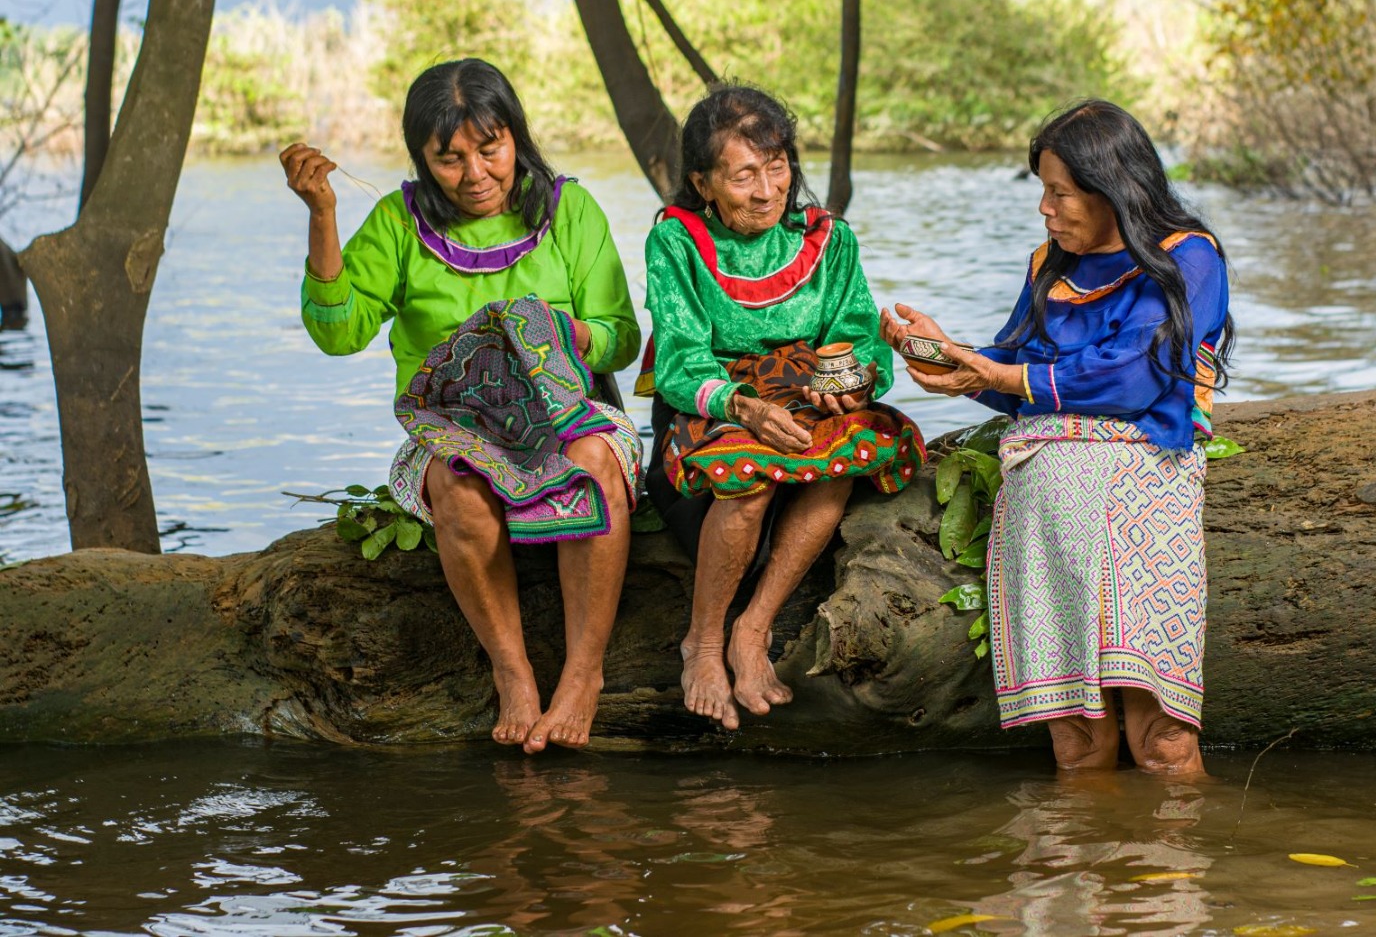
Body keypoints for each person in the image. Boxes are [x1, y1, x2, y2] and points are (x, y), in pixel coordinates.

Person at [280, 58, 641, 754]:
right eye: (449, 158)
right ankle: (512, 673)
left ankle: (584, 675)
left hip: (569, 420)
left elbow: (621, 340)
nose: (475, 172)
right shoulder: (397, 222)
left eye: (491, 149)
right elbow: (337, 332)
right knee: (458, 479)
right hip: (453, 431)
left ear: (518, 138)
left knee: (595, 459)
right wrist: (323, 217)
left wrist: (557, 332)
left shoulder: (570, 211)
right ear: (422, 159)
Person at [881, 99, 1232, 774]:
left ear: (1114, 189)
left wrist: (1003, 375)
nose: (1045, 207)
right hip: (1044, 508)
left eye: (1059, 192)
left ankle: (1173, 875)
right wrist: (948, 357)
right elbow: (1015, 367)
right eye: (1044, 190)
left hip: (1144, 497)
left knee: (1161, 740)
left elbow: (1141, 375)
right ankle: (1075, 867)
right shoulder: (1050, 262)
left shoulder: (1189, 256)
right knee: (1078, 744)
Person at [641, 84, 925, 731]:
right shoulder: (676, 242)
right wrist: (744, 408)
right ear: (703, 183)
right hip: (709, 402)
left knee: (844, 451)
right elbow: (683, 359)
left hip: (802, 398)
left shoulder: (829, 239)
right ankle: (704, 643)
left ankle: (754, 627)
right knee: (754, 475)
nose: (767, 189)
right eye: (744, 175)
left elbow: (857, 336)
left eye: (778, 168)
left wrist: (851, 384)